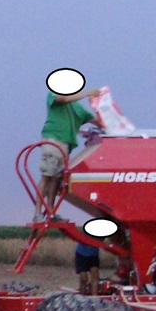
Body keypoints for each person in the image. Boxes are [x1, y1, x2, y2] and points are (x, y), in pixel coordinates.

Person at [38, 83, 102, 220]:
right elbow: (63, 99)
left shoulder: (77, 107)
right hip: (53, 140)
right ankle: (38, 213)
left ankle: (50, 212)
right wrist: (87, 93)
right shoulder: (54, 95)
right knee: (47, 176)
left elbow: (96, 121)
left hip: (65, 145)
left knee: (55, 179)